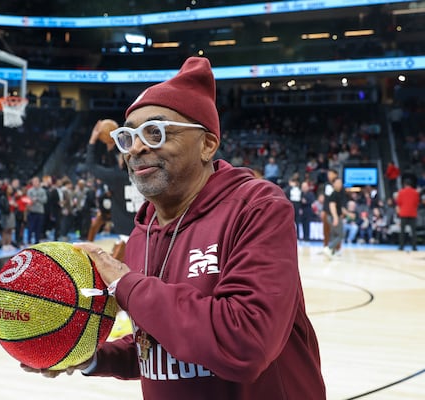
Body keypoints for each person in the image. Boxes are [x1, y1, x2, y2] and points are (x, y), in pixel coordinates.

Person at [23, 57, 325, 398]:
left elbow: (246, 342)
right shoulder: (142, 233)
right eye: (128, 136)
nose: (136, 147)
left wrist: (126, 283)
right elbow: (160, 346)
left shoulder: (257, 206)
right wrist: (89, 358)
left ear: (208, 144)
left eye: (156, 132)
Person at [323, 177, 346, 258]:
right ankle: (329, 248)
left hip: (332, 216)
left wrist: (349, 214)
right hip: (334, 217)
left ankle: (332, 252)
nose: (340, 185)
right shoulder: (334, 194)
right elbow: (332, 206)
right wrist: (335, 217)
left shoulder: (338, 194)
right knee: (341, 235)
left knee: (333, 234)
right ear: (334, 184)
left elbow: (340, 208)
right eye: (338, 183)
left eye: (341, 183)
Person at [396, 178, 420, 251]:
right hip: (412, 213)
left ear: (404, 184)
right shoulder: (415, 192)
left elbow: (399, 203)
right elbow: (417, 203)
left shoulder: (401, 192)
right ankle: (414, 247)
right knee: (413, 231)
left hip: (403, 213)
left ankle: (401, 246)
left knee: (402, 231)